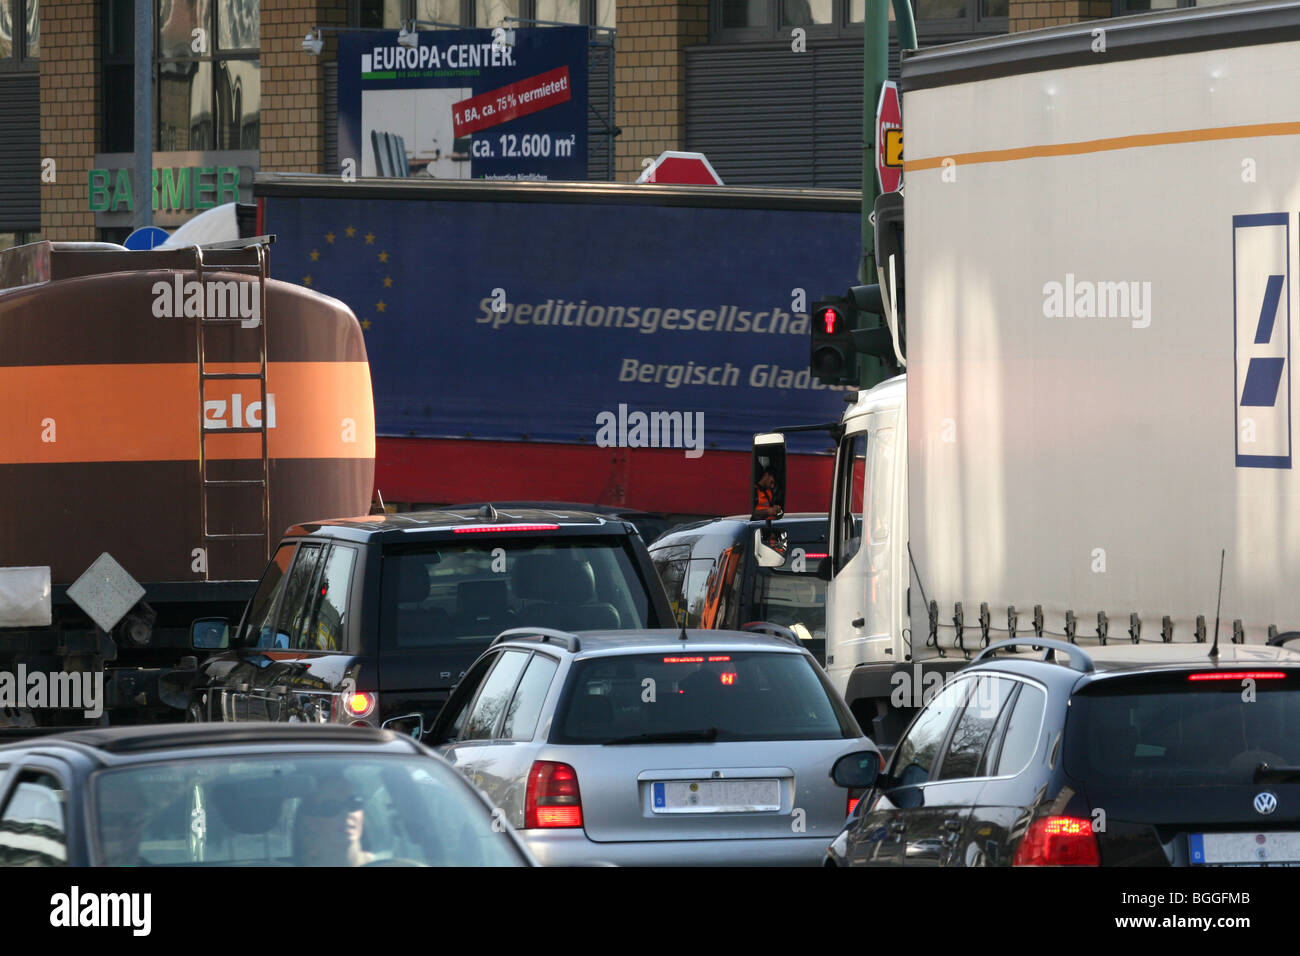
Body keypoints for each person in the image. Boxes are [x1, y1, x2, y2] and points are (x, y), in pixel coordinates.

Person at [293, 777, 376, 866]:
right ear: (311, 823)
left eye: (354, 803)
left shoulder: (386, 863)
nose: (347, 814)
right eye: (331, 807)